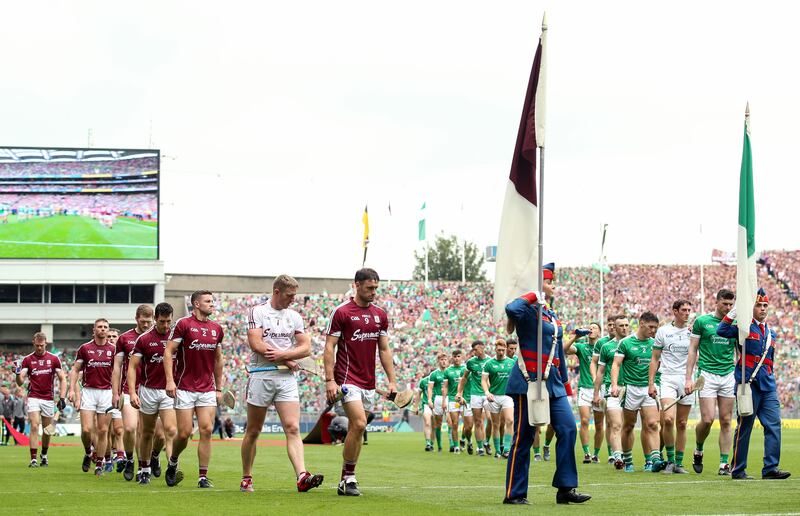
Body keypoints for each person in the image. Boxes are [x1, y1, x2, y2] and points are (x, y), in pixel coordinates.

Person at [503, 262, 590, 505]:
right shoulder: (527, 309)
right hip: (528, 380)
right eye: (549, 281)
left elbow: (557, 353)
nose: (553, 286)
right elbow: (511, 309)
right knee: (524, 438)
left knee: (568, 429)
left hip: (553, 383)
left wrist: (565, 384)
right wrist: (534, 293)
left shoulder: (550, 312)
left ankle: (565, 488)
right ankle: (515, 493)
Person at [240, 275, 323, 493]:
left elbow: (305, 348)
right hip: (261, 375)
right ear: (277, 292)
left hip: (286, 379)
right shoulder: (258, 312)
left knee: (293, 427)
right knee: (254, 430)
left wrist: (285, 354)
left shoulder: (294, 316)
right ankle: (247, 477)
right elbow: (256, 343)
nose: (293, 300)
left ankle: (302, 476)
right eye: (289, 295)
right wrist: (286, 358)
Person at [323, 268, 397, 497]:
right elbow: (329, 348)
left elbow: (384, 349)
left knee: (358, 426)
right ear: (357, 285)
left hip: (368, 382)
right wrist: (329, 380)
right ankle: (349, 478)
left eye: (376, 288)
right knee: (359, 423)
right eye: (369, 288)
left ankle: (346, 477)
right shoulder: (342, 312)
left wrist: (392, 381)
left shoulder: (380, 315)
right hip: (347, 380)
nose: (374, 292)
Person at [716, 288, 791, 480]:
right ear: (752, 307)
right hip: (748, 385)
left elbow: (770, 361)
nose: (763, 308)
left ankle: (770, 469)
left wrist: (771, 380)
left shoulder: (771, 333)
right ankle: (738, 469)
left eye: (765, 305)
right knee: (744, 427)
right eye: (759, 305)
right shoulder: (744, 327)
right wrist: (736, 311)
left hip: (768, 386)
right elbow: (722, 330)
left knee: (774, 426)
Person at [164, 290, 225, 488]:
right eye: (208, 301)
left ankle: (202, 477)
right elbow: (168, 352)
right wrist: (170, 381)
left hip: (207, 388)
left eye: (212, 301)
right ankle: (173, 462)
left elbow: (218, 359)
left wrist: (219, 387)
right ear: (196, 304)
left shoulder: (217, 328)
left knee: (207, 430)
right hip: (184, 387)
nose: (212, 304)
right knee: (184, 433)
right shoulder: (183, 324)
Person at [685, 289, 737, 475]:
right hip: (707, 375)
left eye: (731, 305)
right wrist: (688, 378)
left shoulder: (735, 324)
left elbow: (739, 351)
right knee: (707, 420)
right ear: (717, 302)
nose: (728, 308)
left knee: (726, 420)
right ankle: (698, 449)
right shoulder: (702, 322)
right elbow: (692, 350)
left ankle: (724, 464)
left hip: (728, 375)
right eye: (725, 304)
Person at [128, 302, 179, 486]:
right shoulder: (143, 339)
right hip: (148, 391)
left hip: (169, 391)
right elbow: (132, 367)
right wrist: (133, 392)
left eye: (169, 321)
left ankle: (164, 461)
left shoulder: (177, 338)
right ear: (155, 319)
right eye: (162, 321)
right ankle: (144, 469)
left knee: (170, 431)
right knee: (147, 432)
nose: (166, 326)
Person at [612, 311, 665, 473]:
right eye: (651, 327)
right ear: (641, 324)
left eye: (655, 328)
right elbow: (616, 365)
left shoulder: (655, 343)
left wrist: (655, 383)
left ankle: (654, 459)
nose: (653, 330)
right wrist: (614, 384)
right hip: (631, 389)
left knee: (652, 424)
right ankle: (628, 460)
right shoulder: (626, 343)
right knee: (628, 426)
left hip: (649, 388)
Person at [649, 299, 693, 474]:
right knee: (667, 419)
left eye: (689, 310)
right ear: (675, 311)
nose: (687, 313)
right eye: (684, 310)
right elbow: (655, 358)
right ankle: (670, 461)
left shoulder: (694, 332)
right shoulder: (663, 331)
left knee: (682, 423)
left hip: (687, 379)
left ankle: (679, 464)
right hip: (667, 379)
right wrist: (651, 383)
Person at [68, 318, 115, 476]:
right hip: (88, 391)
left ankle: (99, 464)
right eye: (99, 327)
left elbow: (119, 373)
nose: (102, 329)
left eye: (105, 327)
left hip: (107, 393)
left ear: (108, 331)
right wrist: (72, 391)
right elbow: (75, 370)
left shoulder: (114, 350)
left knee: (103, 430)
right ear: (94, 330)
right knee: (87, 430)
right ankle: (89, 452)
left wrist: (118, 392)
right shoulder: (85, 348)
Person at [112, 305, 154, 480]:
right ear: (136, 318)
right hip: (129, 390)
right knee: (129, 428)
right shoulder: (124, 338)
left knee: (146, 432)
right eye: (142, 321)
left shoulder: (158, 337)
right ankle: (130, 459)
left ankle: (145, 465)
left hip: (150, 390)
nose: (145, 324)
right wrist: (115, 393)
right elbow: (117, 367)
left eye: (148, 321)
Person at [15, 332, 67, 467]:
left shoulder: (54, 359)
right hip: (33, 396)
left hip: (48, 398)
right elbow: (20, 382)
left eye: (42, 345)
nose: (39, 348)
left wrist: (62, 397)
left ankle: (44, 454)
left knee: (47, 430)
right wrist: (17, 374)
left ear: (46, 344)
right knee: (34, 425)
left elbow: (62, 378)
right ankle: (33, 459)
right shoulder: (27, 359)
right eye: (37, 345)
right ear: (34, 343)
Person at [593, 315, 629, 469]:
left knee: (629, 425)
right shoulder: (606, 347)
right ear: (614, 327)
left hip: (631, 388)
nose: (624, 328)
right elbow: (600, 372)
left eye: (626, 325)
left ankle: (631, 457)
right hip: (613, 389)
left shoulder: (632, 343)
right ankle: (618, 457)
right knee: (615, 424)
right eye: (620, 325)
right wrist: (596, 394)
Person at [565, 323, 602, 463]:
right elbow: (564, 349)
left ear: (599, 332)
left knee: (599, 424)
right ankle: (587, 453)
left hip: (600, 388)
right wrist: (575, 337)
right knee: (585, 421)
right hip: (584, 388)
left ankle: (596, 454)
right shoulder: (582, 346)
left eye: (595, 328)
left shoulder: (603, 346)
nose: (591, 329)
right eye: (590, 327)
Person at [481, 339, 515, 458]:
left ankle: (506, 449)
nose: (501, 352)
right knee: (495, 424)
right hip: (494, 397)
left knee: (510, 420)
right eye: (499, 350)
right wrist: (487, 392)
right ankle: (497, 451)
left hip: (507, 396)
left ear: (505, 349)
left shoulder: (512, 362)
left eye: (503, 350)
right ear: (495, 349)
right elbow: (484, 380)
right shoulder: (489, 364)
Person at [457, 340, 491, 456]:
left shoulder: (490, 361)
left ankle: (487, 442)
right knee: (478, 422)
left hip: (488, 394)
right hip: (475, 394)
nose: (474, 352)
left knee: (490, 419)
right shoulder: (471, 362)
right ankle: (480, 448)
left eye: (476, 349)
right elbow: (464, 378)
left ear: (482, 348)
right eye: (473, 350)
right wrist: (459, 393)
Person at [591, 316, 616, 463]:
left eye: (614, 324)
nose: (612, 327)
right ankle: (602, 453)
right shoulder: (601, 343)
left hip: (621, 385)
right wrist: (595, 379)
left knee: (614, 422)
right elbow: (594, 363)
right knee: (602, 422)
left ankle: (613, 453)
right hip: (605, 385)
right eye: (610, 324)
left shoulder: (625, 341)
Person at [441, 349, 466, 453]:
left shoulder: (466, 369)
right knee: (454, 424)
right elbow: (445, 387)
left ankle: (463, 439)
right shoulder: (448, 371)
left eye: (458, 356)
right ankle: (456, 446)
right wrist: (444, 400)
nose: (456, 359)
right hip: (452, 400)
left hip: (465, 399)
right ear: (452, 357)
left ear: (462, 357)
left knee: (468, 424)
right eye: (455, 357)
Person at [426, 352, 448, 453]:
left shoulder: (451, 371)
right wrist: (430, 399)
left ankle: (453, 445)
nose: (443, 361)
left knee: (451, 421)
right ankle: (439, 446)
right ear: (438, 361)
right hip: (438, 399)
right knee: (438, 424)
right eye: (441, 360)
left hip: (449, 398)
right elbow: (430, 388)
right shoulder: (434, 374)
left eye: (445, 359)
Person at [414, 374, 433, 451]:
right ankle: (428, 443)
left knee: (436, 426)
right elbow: (418, 394)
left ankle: (451, 443)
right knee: (427, 423)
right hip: (426, 404)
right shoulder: (423, 381)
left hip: (437, 404)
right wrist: (416, 407)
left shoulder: (441, 378)